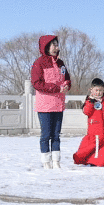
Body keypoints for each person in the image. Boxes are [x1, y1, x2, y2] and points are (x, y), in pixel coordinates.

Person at [31, 34, 71, 169]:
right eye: (53, 45)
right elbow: (37, 83)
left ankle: (56, 161)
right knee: (46, 134)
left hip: (58, 105)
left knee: (56, 135)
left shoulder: (60, 63)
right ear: (46, 46)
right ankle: (46, 161)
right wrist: (56, 88)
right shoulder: (39, 63)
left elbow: (67, 78)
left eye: (57, 44)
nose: (56, 47)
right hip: (45, 106)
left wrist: (67, 85)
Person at [73, 78, 104, 167]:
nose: (98, 93)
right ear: (91, 90)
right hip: (94, 131)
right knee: (90, 148)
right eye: (96, 90)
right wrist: (90, 101)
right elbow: (86, 111)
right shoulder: (89, 101)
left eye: (100, 90)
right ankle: (88, 159)